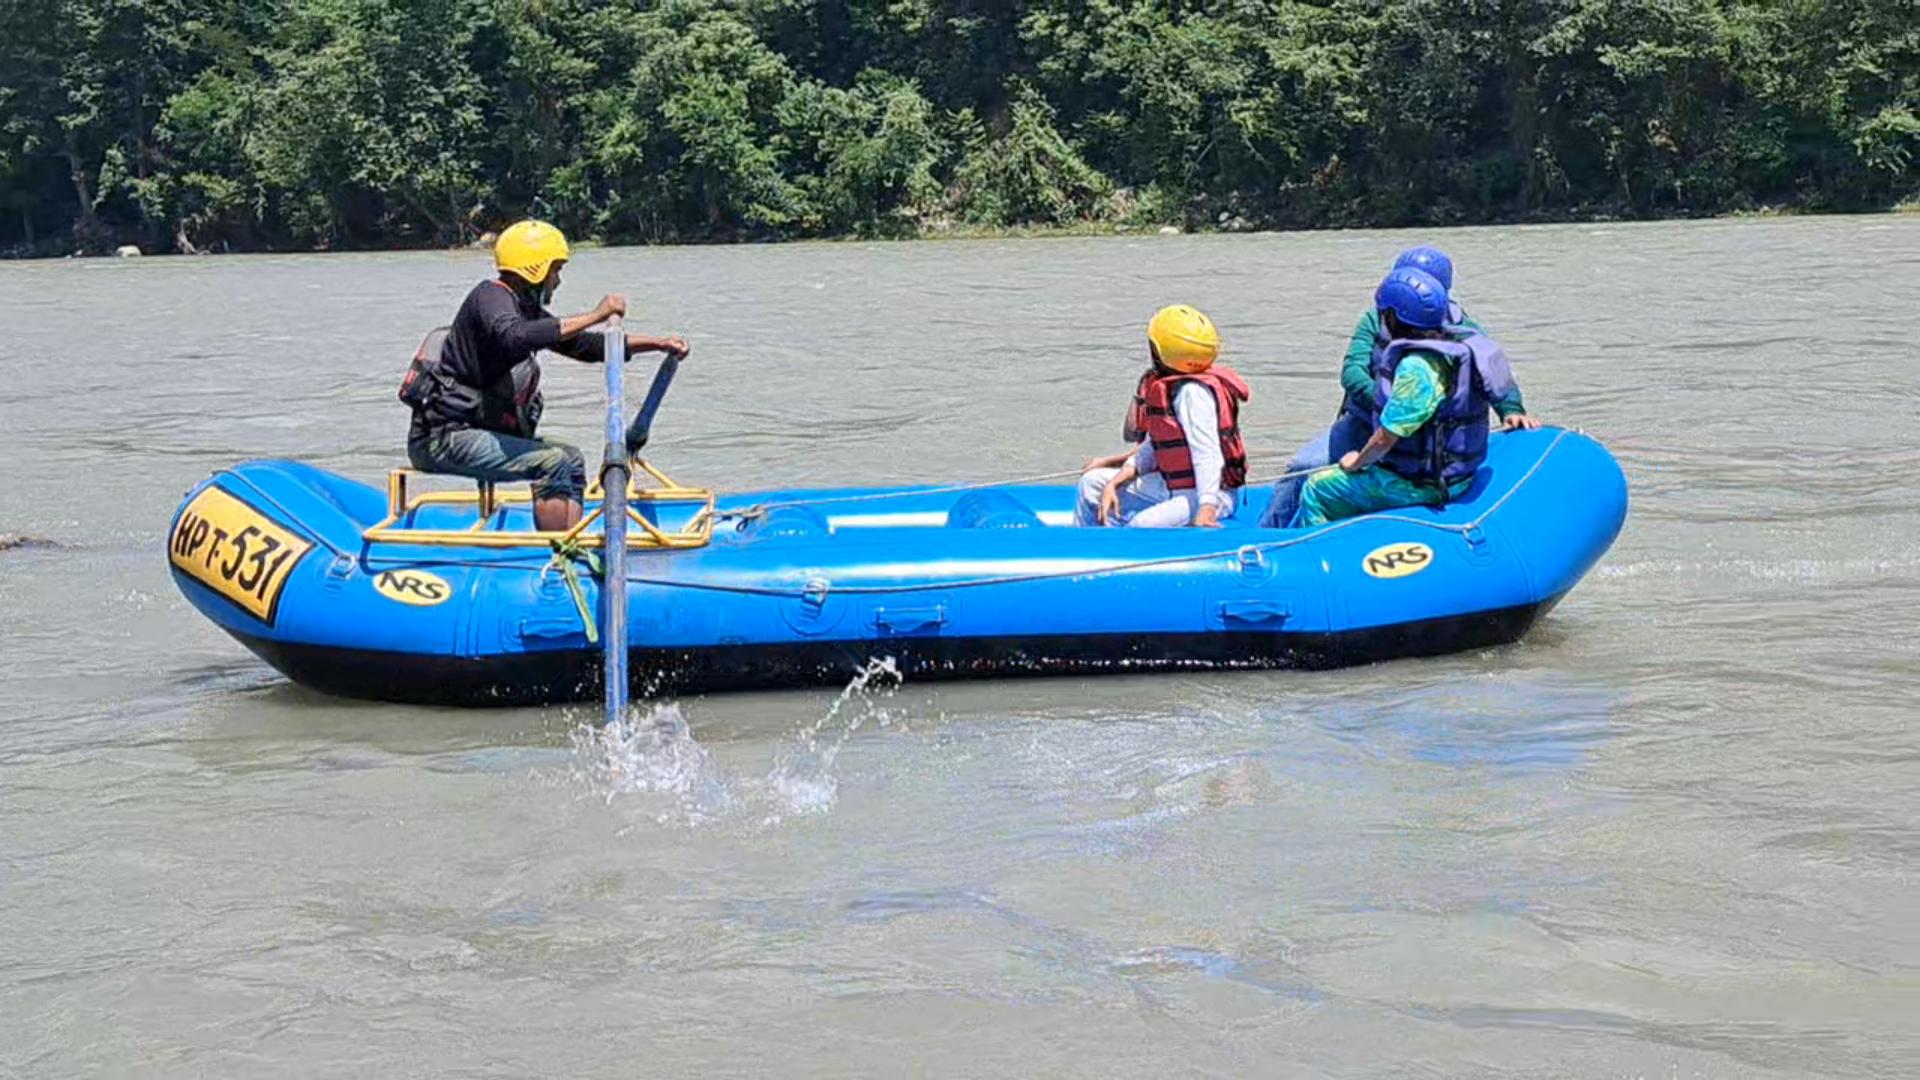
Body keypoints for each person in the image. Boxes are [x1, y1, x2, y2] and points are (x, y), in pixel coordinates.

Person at [400, 220, 690, 531]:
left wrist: (658, 344)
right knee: (553, 463)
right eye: (555, 271)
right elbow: (516, 336)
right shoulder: (489, 298)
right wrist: (596, 315)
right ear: (535, 270)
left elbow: (586, 346)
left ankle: (570, 542)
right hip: (443, 438)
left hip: (471, 433)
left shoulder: (524, 310)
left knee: (572, 459)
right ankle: (555, 554)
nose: (558, 281)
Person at [1260, 245, 1531, 526]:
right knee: (1303, 467)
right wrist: (1393, 406)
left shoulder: (1463, 332)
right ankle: (1267, 533)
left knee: (1322, 488)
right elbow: (1352, 372)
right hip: (1366, 421)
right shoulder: (1375, 318)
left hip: (1407, 436)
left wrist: (1511, 408)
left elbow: (1491, 370)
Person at [1075, 305, 1250, 528]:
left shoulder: (1192, 394)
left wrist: (1207, 508)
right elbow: (1153, 446)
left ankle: (1129, 557)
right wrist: (1116, 480)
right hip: (1171, 485)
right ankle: (1089, 550)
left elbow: (1207, 453)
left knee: (1142, 524)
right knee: (1091, 484)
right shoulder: (1171, 387)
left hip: (1209, 494)